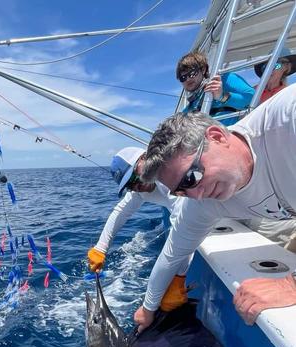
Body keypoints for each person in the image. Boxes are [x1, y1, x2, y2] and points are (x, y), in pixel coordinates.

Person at [133, 84, 296, 332]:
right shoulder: (203, 199)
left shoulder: (288, 118)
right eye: (180, 191)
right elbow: (172, 254)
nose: (196, 195)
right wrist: (148, 309)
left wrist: (291, 285)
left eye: (190, 178)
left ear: (217, 137)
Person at [87, 147, 189, 311]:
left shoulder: (170, 178)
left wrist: (179, 278)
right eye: (129, 185)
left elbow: (186, 230)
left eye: (135, 178)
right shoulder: (141, 188)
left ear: (146, 159)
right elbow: (120, 212)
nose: (136, 186)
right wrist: (100, 248)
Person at [177, 51, 254, 126]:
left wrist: (222, 96)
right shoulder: (188, 108)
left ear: (203, 69)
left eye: (192, 73)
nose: (187, 79)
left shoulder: (224, 79)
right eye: (183, 78)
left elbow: (253, 98)